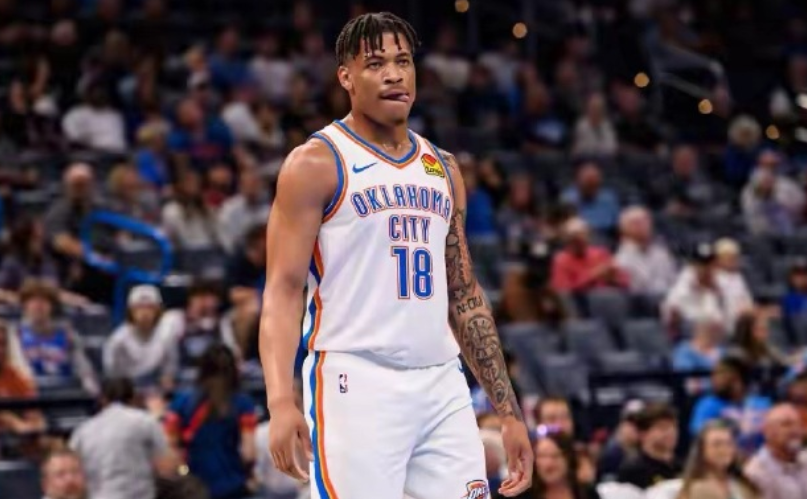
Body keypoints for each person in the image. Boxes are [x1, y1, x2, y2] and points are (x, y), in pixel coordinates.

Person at [260, 12, 532, 499]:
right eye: (375, 64)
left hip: (441, 381)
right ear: (346, 77)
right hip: (356, 378)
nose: (393, 74)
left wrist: (508, 413)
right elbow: (282, 290)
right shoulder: (316, 163)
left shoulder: (443, 168)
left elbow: (464, 295)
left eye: (403, 61)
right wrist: (281, 400)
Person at [165, 345, 257, 499]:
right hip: (232, 487)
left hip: (193, 488)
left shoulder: (180, 403)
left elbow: (171, 447)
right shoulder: (243, 404)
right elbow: (249, 454)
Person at [70, 377, 179, 499]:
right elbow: (169, 467)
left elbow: (73, 471)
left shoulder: (83, 430)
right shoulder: (146, 421)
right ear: (133, 398)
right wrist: (161, 418)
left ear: (102, 399)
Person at [689, 356, 773, 454]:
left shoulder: (762, 403)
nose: (714, 378)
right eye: (714, 374)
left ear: (737, 376)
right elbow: (699, 435)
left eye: (721, 373)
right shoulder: (708, 405)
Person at [676, 421, 760, 499]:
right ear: (702, 450)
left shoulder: (743, 485)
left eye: (728, 443)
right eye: (717, 444)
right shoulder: (695, 489)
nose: (724, 449)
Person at [509, 428, 600, 499]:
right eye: (542, 456)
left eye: (555, 456)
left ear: (568, 459)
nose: (549, 463)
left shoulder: (586, 493)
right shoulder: (521, 495)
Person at [744, 404, 807, 498]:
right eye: (786, 425)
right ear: (767, 431)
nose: (795, 430)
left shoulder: (805, 458)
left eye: (798, 424)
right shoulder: (755, 473)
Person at [617, 403, 682, 489]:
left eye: (674, 427)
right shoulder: (634, 470)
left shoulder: (681, 466)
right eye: (663, 428)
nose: (671, 432)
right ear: (643, 434)